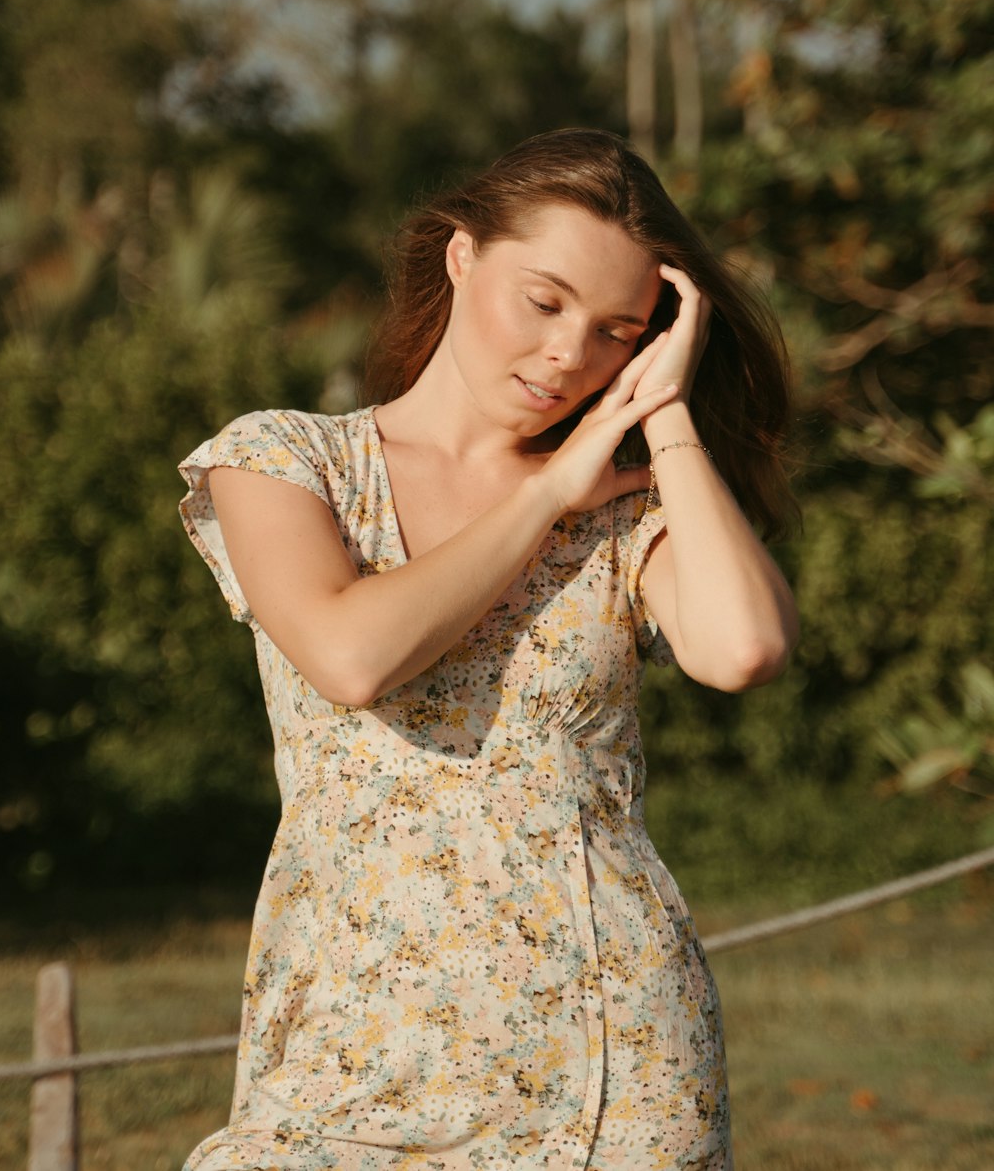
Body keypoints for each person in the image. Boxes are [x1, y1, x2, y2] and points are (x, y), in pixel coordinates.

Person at [177, 128, 799, 1171]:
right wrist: (548, 493)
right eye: (544, 302)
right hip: (344, 1050)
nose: (570, 355)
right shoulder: (287, 461)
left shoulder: (624, 510)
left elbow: (741, 650)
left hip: (612, 1062)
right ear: (461, 255)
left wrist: (669, 419)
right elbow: (350, 655)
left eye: (618, 331)